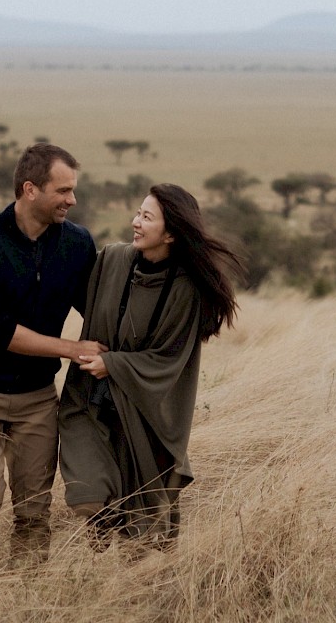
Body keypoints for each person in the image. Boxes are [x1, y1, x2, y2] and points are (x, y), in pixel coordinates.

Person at [58, 183, 242, 549]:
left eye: (146, 217)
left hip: (144, 415)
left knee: (144, 533)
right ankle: (103, 526)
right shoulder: (111, 260)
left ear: (171, 233)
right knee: (90, 497)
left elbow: (169, 359)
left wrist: (113, 363)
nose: (135, 223)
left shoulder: (187, 289)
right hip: (90, 403)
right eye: (137, 213)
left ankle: (130, 587)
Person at [0, 143, 103, 562]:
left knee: (34, 511)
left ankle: (26, 591)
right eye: (63, 190)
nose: (72, 200)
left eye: (73, 190)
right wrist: (70, 348)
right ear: (30, 189)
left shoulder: (78, 243)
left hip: (37, 394)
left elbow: (98, 309)